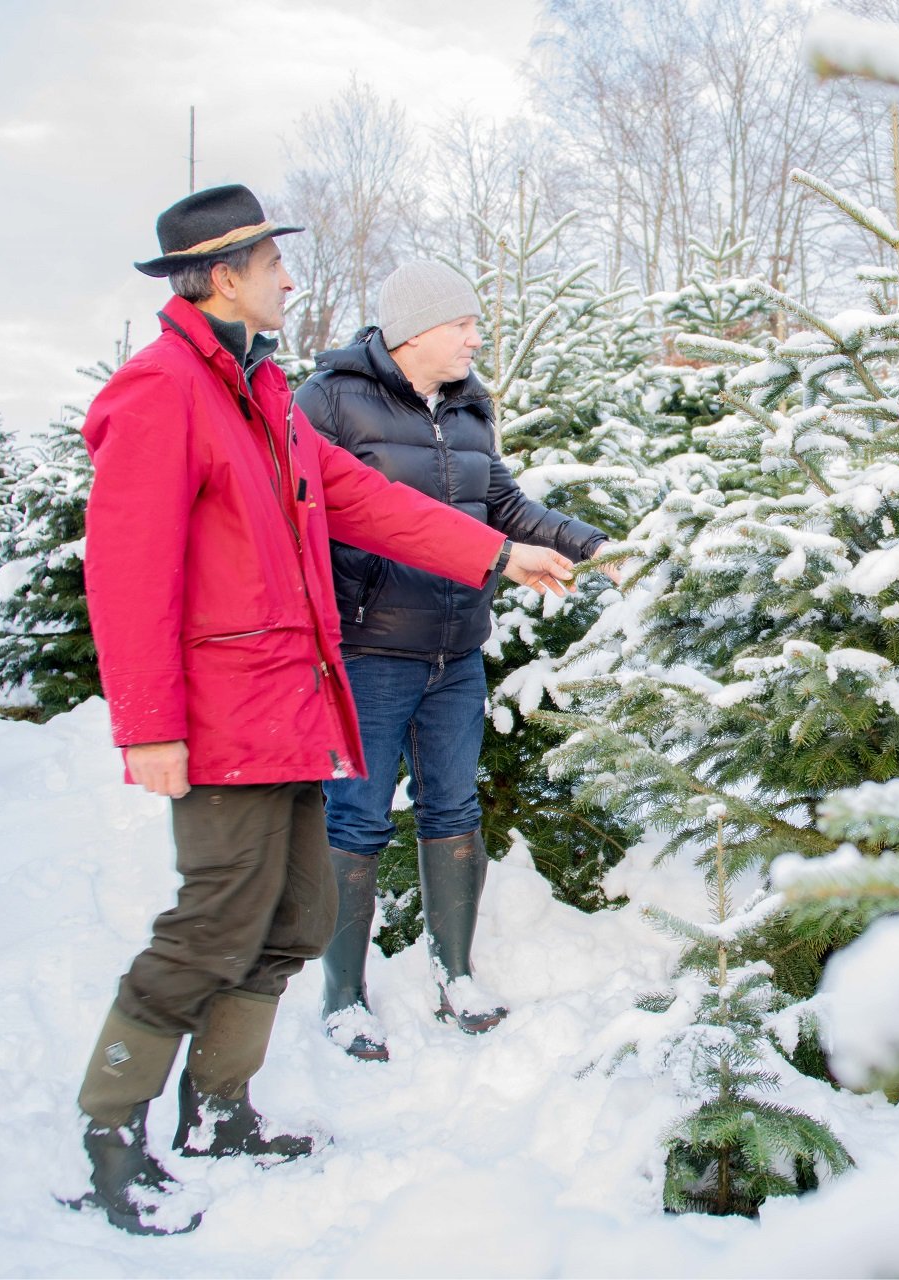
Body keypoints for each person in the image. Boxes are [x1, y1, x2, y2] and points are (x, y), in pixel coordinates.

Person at [67, 186, 574, 1236]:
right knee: (214, 922)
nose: (290, 280)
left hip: (292, 706)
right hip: (220, 717)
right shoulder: (163, 392)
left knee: (296, 915)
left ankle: (220, 1111)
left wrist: (499, 552)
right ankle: (111, 1134)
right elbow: (125, 571)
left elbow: (364, 499)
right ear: (223, 276)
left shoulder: (260, 393)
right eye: (272, 265)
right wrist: (148, 725)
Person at [293, 260, 610, 1064]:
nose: (476, 337)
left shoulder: (469, 405)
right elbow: (312, 510)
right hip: (368, 648)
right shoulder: (329, 400)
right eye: (462, 324)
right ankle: (342, 995)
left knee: (453, 807)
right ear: (413, 331)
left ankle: (455, 974)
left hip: (456, 647)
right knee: (356, 818)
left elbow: (503, 504)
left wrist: (594, 547)